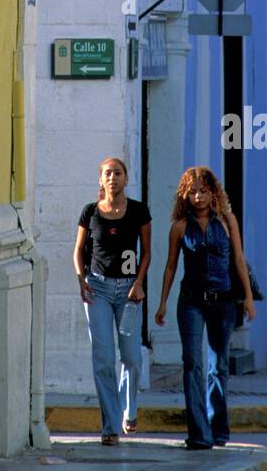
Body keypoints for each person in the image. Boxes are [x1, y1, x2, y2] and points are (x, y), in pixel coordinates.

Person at [154, 165, 255, 449]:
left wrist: (247, 297)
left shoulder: (227, 221)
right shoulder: (179, 227)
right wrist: (162, 303)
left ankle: (218, 429)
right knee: (192, 363)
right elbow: (171, 266)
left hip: (223, 302)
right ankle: (199, 434)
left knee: (218, 366)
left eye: (203, 191)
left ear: (213, 193)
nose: (198, 197)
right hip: (191, 302)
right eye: (192, 192)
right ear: (184, 196)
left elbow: (238, 259)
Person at [73, 157, 152, 445]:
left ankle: (129, 409)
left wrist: (139, 284)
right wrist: (81, 280)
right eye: (107, 173)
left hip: (130, 293)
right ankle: (109, 426)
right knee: (103, 358)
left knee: (131, 356)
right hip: (98, 291)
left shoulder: (138, 211)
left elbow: (147, 253)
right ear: (101, 179)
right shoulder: (90, 212)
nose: (112, 178)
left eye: (118, 173)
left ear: (125, 178)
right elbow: (79, 250)